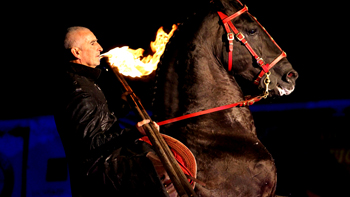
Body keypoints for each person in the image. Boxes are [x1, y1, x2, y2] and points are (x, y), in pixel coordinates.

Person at [54, 26, 170, 197]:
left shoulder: (84, 82)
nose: (100, 48)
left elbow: (98, 124)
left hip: (107, 169)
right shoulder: (79, 89)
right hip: (105, 177)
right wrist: (134, 132)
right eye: (93, 43)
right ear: (76, 52)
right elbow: (91, 144)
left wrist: (121, 106)